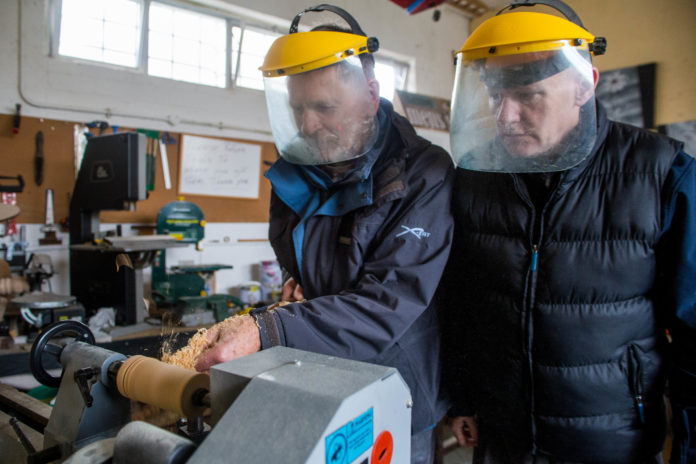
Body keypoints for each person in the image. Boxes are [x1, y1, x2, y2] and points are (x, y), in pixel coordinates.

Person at [194, 5, 454, 462]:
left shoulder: (424, 173)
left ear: (371, 96)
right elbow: (293, 251)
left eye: (324, 107)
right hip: (315, 369)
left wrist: (268, 328)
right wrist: (298, 284)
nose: (308, 125)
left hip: (396, 385)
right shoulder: (299, 166)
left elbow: (388, 301)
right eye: (297, 108)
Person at [440, 1, 696, 463]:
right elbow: (462, 303)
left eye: (529, 96)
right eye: (496, 96)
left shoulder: (662, 173)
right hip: (504, 440)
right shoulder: (478, 176)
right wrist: (461, 398)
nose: (505, 116)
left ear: (585, 85)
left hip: (614, 443)